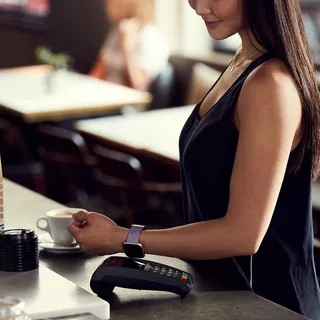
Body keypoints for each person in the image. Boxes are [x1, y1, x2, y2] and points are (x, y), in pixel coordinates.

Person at [69, 0, 320, 318]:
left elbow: (242, 235)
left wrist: (123, 238)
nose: (199, 7)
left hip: (269, 305)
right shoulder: (241, 63)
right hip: (224, 297)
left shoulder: (269, 84)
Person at [89, 0, 169, 91]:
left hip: (127, 101)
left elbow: (139, 86)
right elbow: (100, 68)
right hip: (106, 93)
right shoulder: (116, 31)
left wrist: (127, 47)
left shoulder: (151, 37)